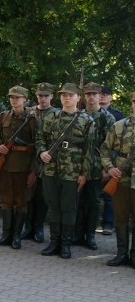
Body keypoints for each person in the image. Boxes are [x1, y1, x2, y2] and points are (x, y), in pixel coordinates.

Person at [36, 83, 95, 259]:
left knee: (69, 208)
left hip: (72, 171)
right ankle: (54, 242)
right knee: (53, 205)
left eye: (70, 95)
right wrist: (42, 152)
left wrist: (84, 174)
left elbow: (89, 150)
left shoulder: (87, 120)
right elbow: (40, 138)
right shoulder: (50, 117)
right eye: (63, 95)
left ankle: (66, 244)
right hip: (51, 169)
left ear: (78, 98)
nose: (66, 98)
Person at [0, 85, 37, 249]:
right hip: (6, 164)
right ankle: (5, 235)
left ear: (25, 99)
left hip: (24, 166)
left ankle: (17, 236)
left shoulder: (32, 120)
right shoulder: (3, 116)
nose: (14, 100)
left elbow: (38, 146)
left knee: (21, 202)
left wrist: (34, 171)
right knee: (6, 201)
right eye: (12, 97)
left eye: (18, 97)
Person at [73, 82, 115, 249]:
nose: (91, 97)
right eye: (88, 94)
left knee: (94, 201)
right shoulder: (79, 115)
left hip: (97, 166)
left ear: (100, 96)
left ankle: (90, 235)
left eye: (94, 94)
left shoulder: (107, 117)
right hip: (79, 164)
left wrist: (107, 168)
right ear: (84, 96)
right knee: (79, 200)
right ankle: (77, 234)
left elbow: (111, 146)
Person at [21, 83, 59, 243]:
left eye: (46, 95)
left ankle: (39, 229)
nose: (42, 98)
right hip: (29, 159)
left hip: (46, 159)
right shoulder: (29, 112)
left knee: (42, 197)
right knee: (29, 195)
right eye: (40, 95)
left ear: (51, 97)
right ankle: (28, 227)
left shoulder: (57, 114)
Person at [100, 92, 135, 267]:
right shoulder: (120, 126)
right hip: (120, 179)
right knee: (120, 217)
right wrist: (110, 168)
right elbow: (105, 149)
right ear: (132, 103)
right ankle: (121, 253)